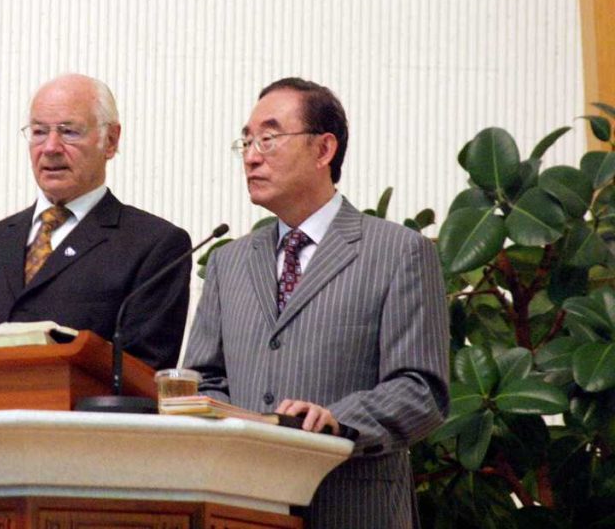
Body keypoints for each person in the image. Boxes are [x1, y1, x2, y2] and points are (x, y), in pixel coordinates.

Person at [183, 78, 449, 528]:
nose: (251, 155)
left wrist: (337, 422)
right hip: (245, 508)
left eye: (268, 138)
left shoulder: (397, 252)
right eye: (245, 141)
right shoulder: (228, 263)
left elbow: (422, 389)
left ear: (324, 149)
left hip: (352, 507)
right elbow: (202, 380)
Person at [0, 74, 192, 369]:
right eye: (39, 132)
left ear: (110, 141)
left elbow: (144, 373)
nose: (50, 147)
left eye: (69, 132)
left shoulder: (153, 245)